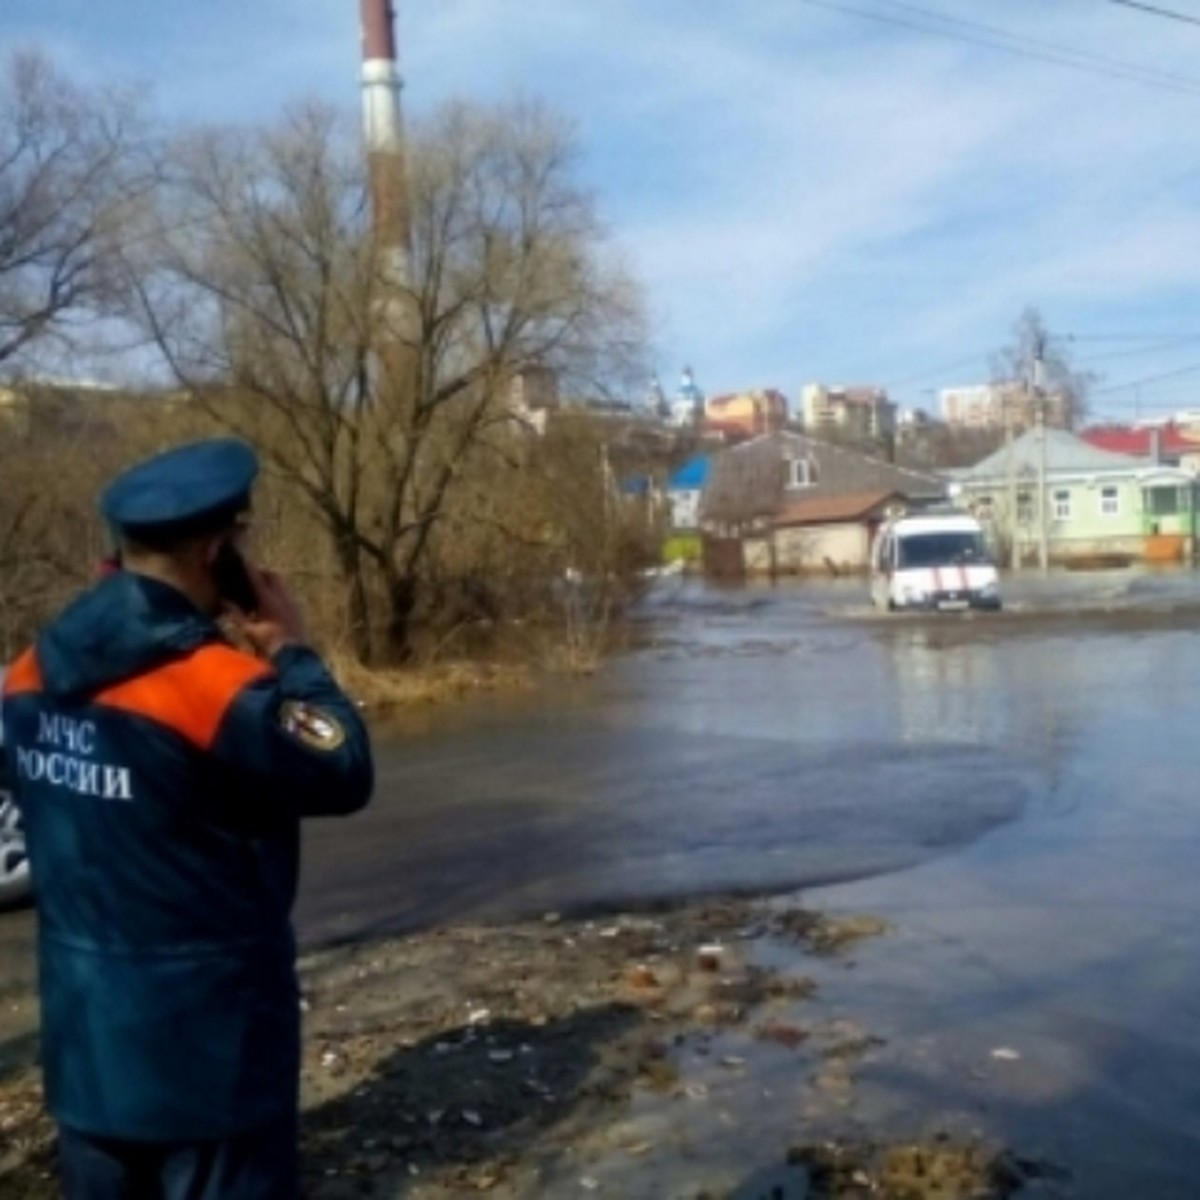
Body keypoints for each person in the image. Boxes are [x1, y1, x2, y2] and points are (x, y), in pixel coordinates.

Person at [0, 438, 374, 1199]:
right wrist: (294, 654)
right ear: (216, 553)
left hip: (89, 1055)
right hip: (208, 1064)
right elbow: (344, 768)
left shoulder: (28, 675)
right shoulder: (219, 692)